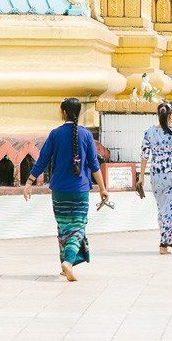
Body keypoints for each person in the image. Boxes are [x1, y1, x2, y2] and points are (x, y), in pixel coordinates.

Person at [24, 98, 109, 281]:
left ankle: (64, 265)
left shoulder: (55, 134)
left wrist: (29, 182)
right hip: (80, 191)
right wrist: (103, 189)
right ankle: (69, 262)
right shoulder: (86, 135)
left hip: (59, 191)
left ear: (63, 113)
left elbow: (42, 160)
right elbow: (94, 165)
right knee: (77, 228)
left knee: (64, 228)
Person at [138, 102, 172, 254]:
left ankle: (164, 239)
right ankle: (164, 243)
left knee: (162, 210)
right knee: (169, 210)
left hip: (155, 176)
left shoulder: (149, 132)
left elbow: (144, 156)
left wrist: (141, 177)